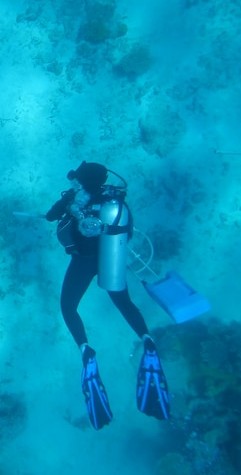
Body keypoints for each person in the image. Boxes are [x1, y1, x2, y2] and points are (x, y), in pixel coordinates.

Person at [45, 161, 169, 430]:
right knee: (124, 303)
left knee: (68, 307)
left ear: (81, 179)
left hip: (83, 262)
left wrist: (62, 203)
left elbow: (51, 215)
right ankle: (147, 341)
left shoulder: (75, 198)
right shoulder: (114, 200)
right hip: (111, 258)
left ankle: (86, 350)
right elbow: (129, 230)